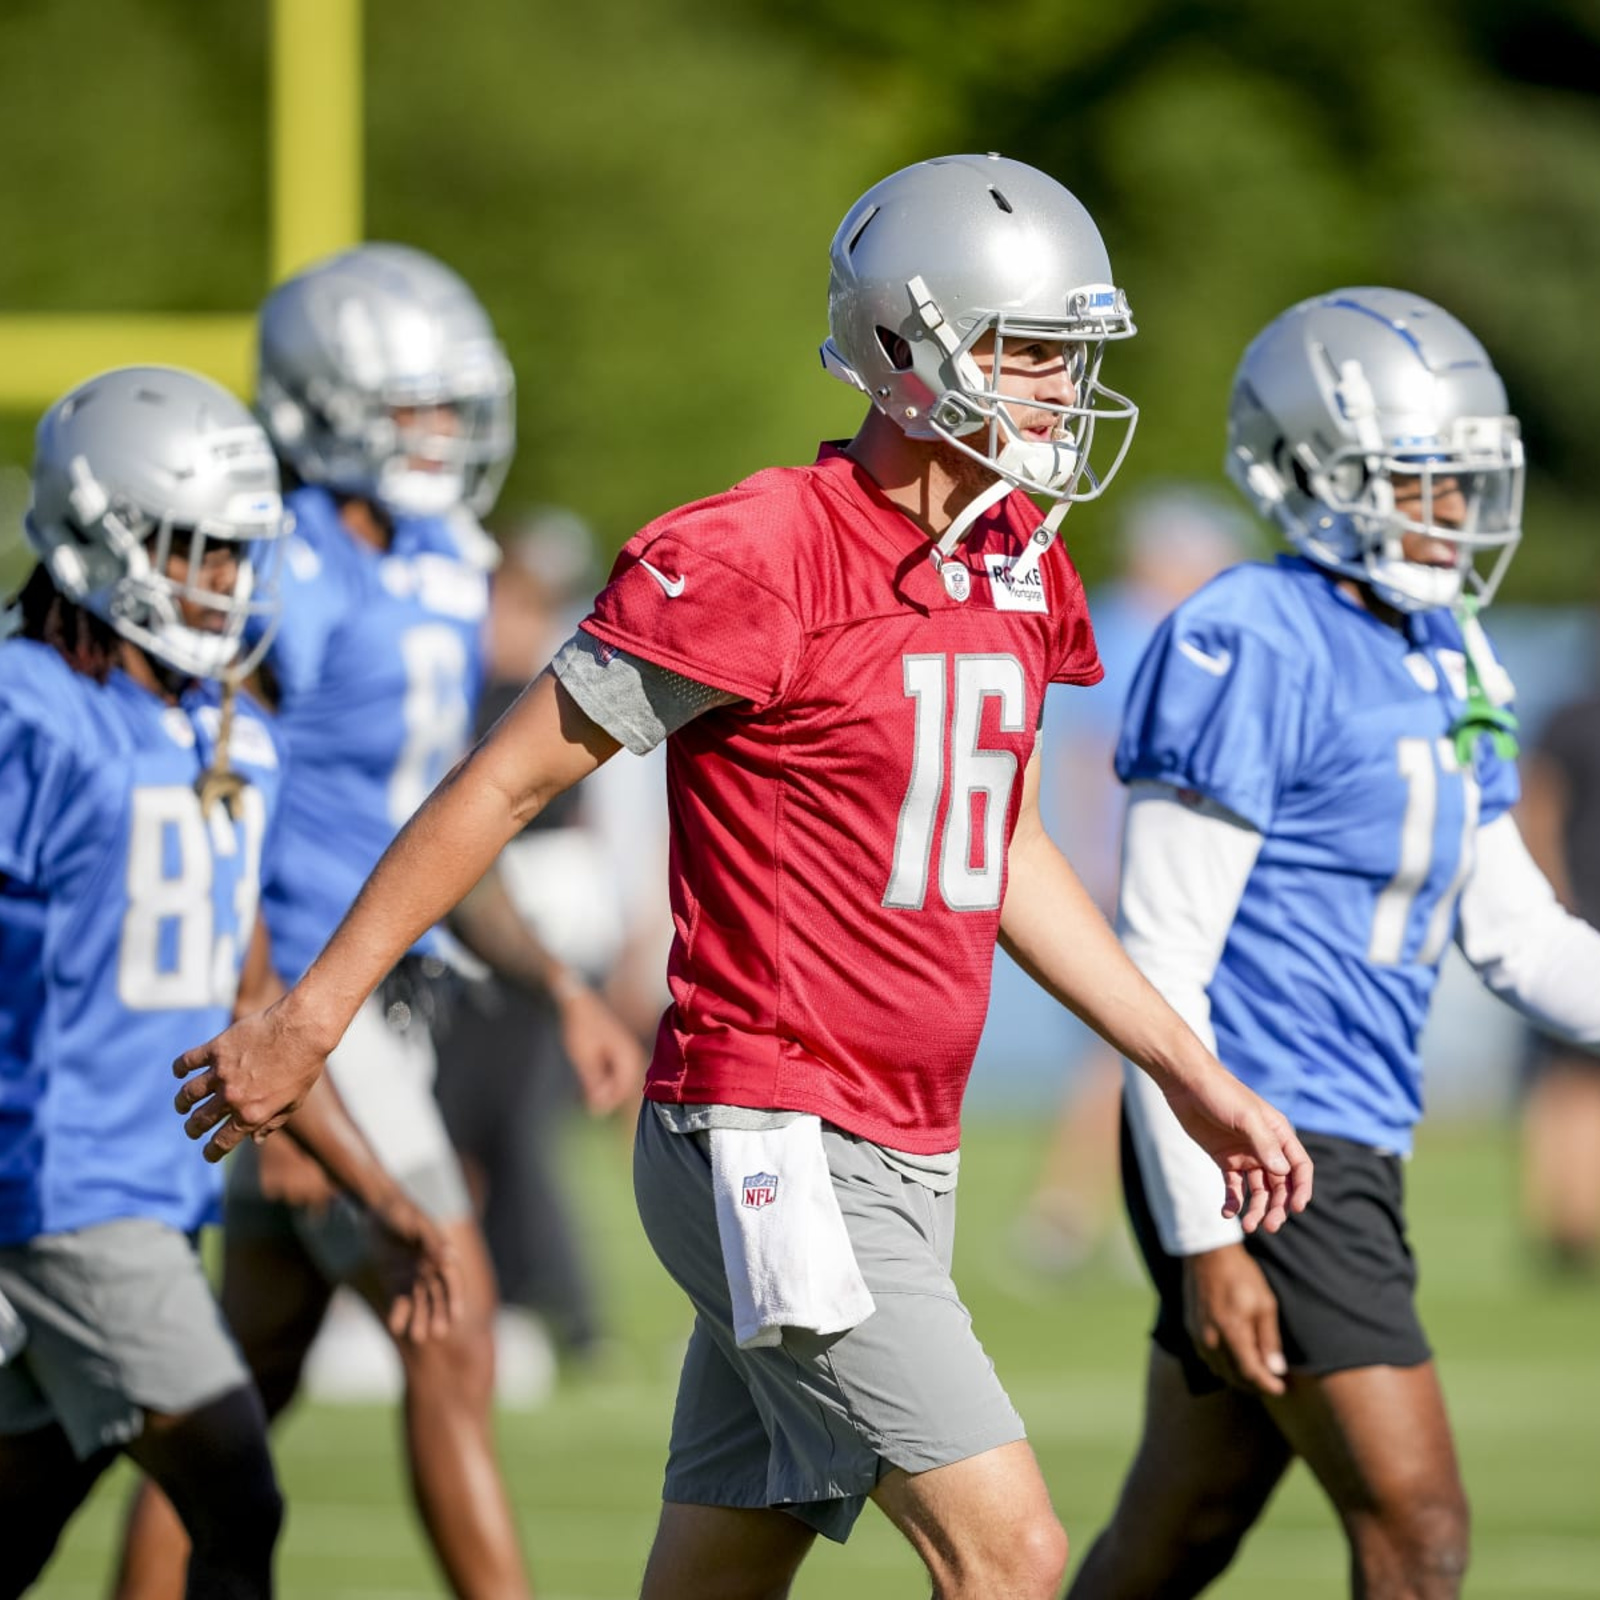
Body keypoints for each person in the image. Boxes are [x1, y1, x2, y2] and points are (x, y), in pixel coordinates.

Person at [172, 155, 1312, 1600]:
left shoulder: (1019, 560)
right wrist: (313, 1014)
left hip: (906, 1140)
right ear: (911, 346)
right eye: (1033, 351)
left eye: (1073, 355)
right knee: (1012, 1557)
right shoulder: (758, 552)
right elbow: (503, 780)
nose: (1063, 388)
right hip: (773, 1132)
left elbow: (1000, 844)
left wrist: (1183, 1068)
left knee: (718, 1577)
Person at [116, 246, 642, 1600]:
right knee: (453, 1317)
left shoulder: (439, 567)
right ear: (322, 403)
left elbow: (438, 830)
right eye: (412, 409)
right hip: (302, 1002)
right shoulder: (283, 569)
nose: (442, 437)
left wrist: (561, 988)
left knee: (233, 1384)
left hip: (378, 1010)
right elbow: (215, 806)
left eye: (449, 409)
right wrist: (265, 1040)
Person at [1066, 288, 1600, 1600]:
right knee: (1419, 1531)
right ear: (1310, 471)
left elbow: (1516, 932)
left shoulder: (1447, 646)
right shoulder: (1250, 635)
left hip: (1356, 1130)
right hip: (1259, 1142)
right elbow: (1161, 961)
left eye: (1463, 484)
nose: (1452, 515)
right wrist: (1208, 1235)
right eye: (1418, 481)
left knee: (1179, 1529)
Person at [0, 366, 457, 1599]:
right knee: (236, 1492)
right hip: (53, 1186)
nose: (221, 583)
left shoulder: (235, 732)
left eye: (236, 554)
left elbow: (252, 1003)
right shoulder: (25, 710)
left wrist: (368, 1187)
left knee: (20, 1517)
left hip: (145, 1196)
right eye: (192, 550)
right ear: (101, 533)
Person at [1011, 485, 1256, 1276]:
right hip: (1140, 873)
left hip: (1166, 869)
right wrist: (1102, 865)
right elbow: (1091, 762)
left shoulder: (1170, 630)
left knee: (1146, 1046)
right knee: (1136, 1043)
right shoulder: (1133, 631)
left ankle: (1117, 1206)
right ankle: (1070, 1211)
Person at [1514, 684, 1600, 1272]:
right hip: (1577, 923)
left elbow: (1535, 809)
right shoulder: (1570, 717)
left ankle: (1570, 1224)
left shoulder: (1568, 713)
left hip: (1572, 913)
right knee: (1569, 1083)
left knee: (1568, 1082)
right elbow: (1539, 808)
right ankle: (1568, 1223)